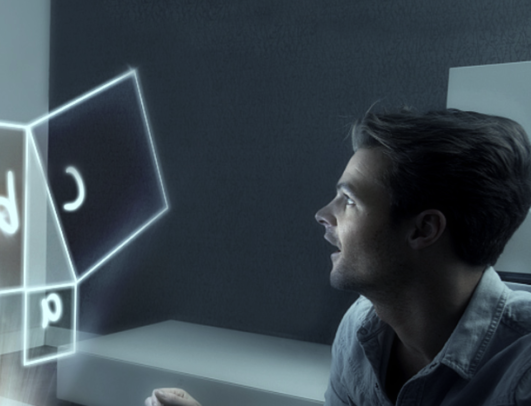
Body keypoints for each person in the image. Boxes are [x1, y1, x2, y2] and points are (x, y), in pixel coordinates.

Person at [147, 108, 531, 406]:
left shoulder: (522, 369)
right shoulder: (363, 329)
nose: (323, 214)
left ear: (423, 229)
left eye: (349, 201)